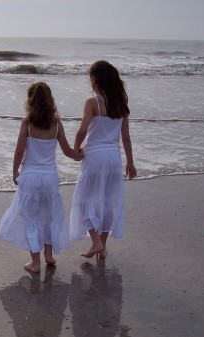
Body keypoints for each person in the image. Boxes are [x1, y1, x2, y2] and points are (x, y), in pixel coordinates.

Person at [0, 82, 83, 273]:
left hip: (31, 176)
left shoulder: (27, 123)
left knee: (31, 218)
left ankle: (35, 263)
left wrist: (14, 171)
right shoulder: (56, 123)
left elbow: (20, 150)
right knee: (49, 216)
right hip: (50, 177)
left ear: (30, 101)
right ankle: (49, 255)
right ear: (50, 100)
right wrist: (81, 155)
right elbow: (68, 151)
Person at [70, 60, 137, 259]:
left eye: (90, 78)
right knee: (108, 201)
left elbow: (82, 130)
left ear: (95, 79)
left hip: (95, 156)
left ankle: (96, 243)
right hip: (114, 157)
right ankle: (103, 247)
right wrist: (130, 162)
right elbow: (126, 137)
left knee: (84, 199)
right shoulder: (121, 105)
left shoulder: (93, 103)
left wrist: (75, 150)